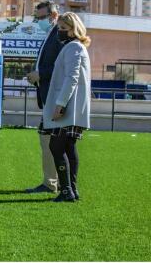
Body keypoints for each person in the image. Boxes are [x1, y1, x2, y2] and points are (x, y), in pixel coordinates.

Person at [41, 12, 91, 202]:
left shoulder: (73, 48)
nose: (59, 32)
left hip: (69, 107)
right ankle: (72, 190)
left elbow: (72, 77)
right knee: (68, 148)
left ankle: (66, 190)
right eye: (59, 28)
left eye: (63, 29)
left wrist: (60, 104)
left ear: (73, 30)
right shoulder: (75, 47)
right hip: (73, 107)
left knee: (57, 146)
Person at [25, 1, 63, 194]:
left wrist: (41, 74)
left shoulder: (58, 34)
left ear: (53, 15)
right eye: (37, 18)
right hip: (48, 96)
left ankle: (52, 183)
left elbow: (60, 66)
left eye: (41, 18)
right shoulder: (50, 34)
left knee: (51, 140)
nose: (38, 21)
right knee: (47, 138)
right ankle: (52, 182)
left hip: (55, 98)